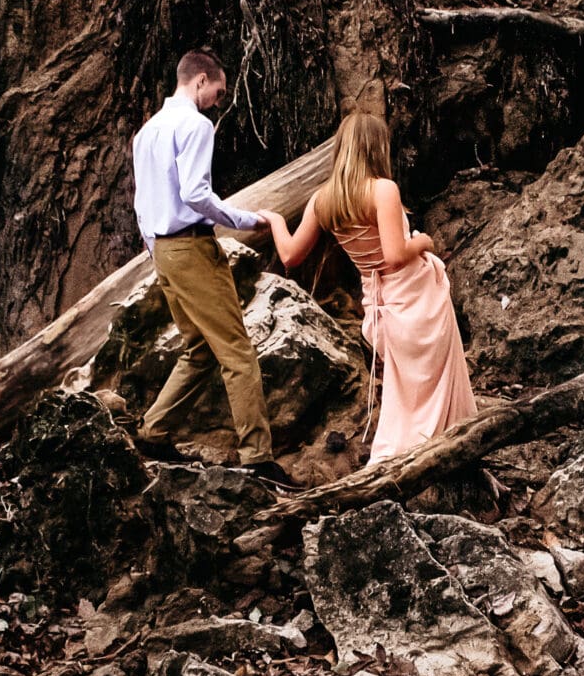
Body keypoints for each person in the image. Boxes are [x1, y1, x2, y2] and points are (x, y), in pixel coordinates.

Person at [262, 111, 475, 464]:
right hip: (416, 298)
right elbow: (394, 255)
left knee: (404, 390)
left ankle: (402, 455)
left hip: (380, 304)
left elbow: (289, 255)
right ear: (376, 148)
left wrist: (274, 220)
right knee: (434, 383)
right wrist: (423, 241)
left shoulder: (322, 201)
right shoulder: (382, 190)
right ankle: (442, 450)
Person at [131, 50, 290, 484]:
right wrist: (247, 219)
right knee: (236, 351)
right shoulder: (196, 125)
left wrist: (156, 253)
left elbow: (141, 204)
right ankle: (258, 458)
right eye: (218, 92)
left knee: (199, 348)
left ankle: (154, 429)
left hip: (163, 251)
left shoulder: (145, 134)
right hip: (191, 248)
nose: (218, 101)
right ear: (201, 80)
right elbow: (196, 193)